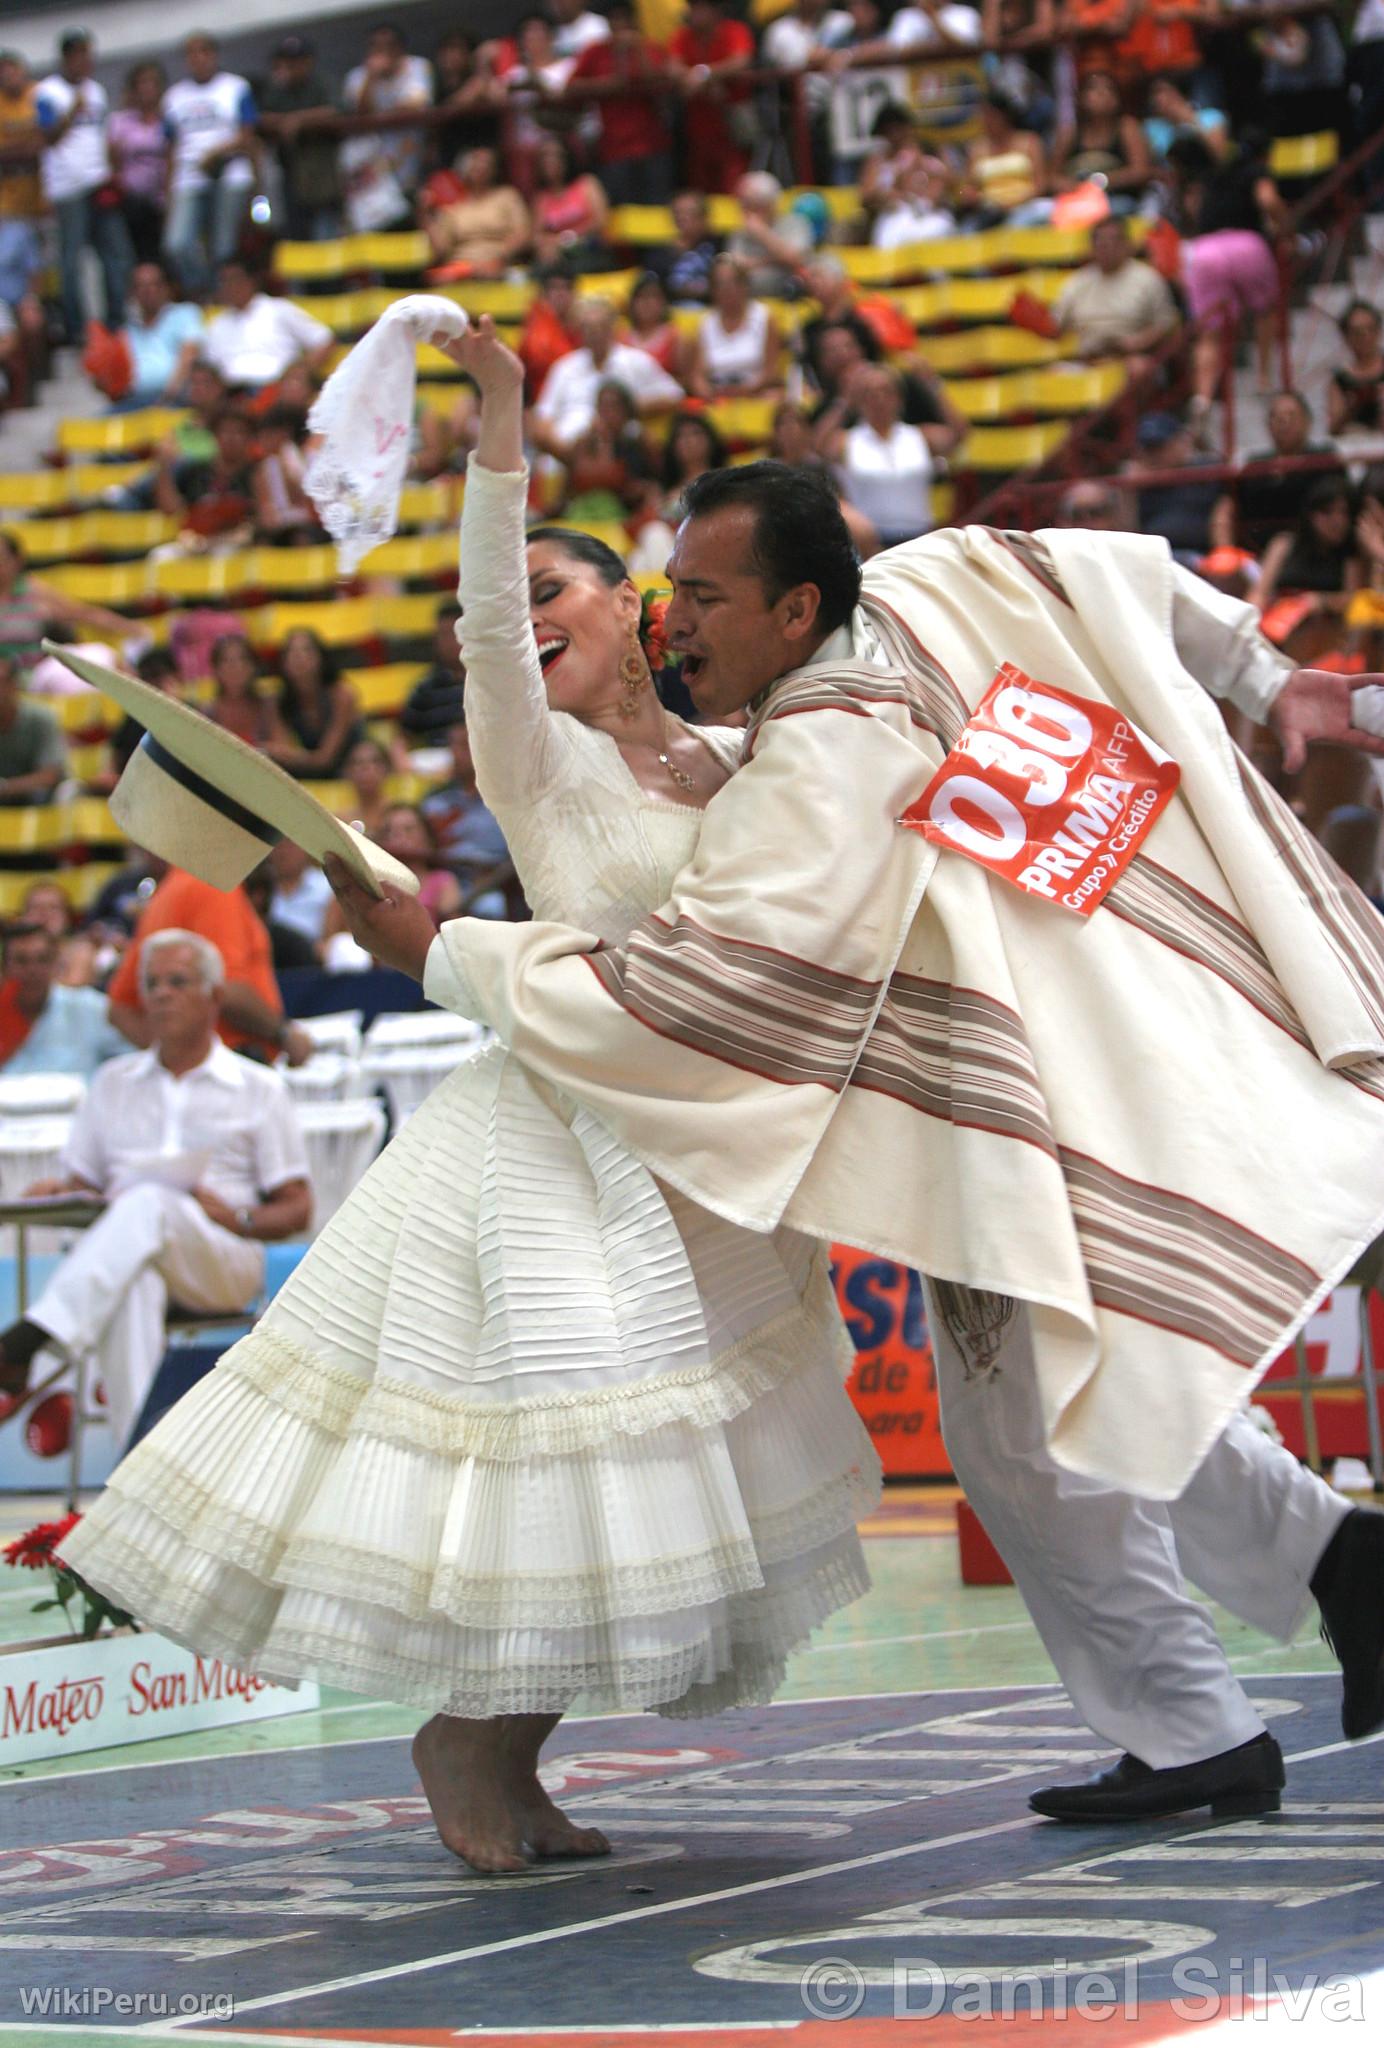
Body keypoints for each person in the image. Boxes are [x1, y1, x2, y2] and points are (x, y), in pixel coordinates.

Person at [318, 455, 1384, 1819]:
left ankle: (1224, 1701)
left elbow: (690, 993)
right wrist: (1261, 670)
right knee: (1077, 1389)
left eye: (701, 595)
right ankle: (1315, 1593)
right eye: (675, 588)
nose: (677, 619)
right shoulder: (919, 593)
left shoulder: (803, 771)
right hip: (1082, 1056)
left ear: (794, 605)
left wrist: (449, 955)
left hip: (1002, 1112)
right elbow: (1088, 567)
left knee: (1025, 1428)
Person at [64, 322, 880, 1875]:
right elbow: (492, 627)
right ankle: (467, 1748)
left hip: (696, 1149)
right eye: (501, 605)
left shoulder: (742, 750)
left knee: (644, 1487)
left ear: (644, 615)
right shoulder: (535, 754)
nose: (509, 620)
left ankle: (509, 1751)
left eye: (557, 590)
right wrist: (500, 418)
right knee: (562, 1446)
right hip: (554, 1144)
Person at [0, 930, 311, 1448]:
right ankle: (143, 1471)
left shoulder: (258, 1087)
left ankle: (32, 1336)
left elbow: (298, 1208)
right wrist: (60, 1190)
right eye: (151, 984)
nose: (161, 994)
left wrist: (234, 1217)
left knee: (150, 1201)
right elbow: (85, 1186)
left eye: (177, 982)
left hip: (222, 1255)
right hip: (130, 1256)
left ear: (213, 997)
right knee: (133, 1286)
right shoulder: (112, 1082)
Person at [105, 857, 312, 1067]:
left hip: (215, 1072)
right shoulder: (212, 885)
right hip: (234, 1068)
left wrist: (174, 1061)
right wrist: (284, 1034)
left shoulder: (168, 892)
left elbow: (120, 1009)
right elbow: (228, 988)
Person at [35, 30, 132, 345]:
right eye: (80, 56)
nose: (85, 63)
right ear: (66, 58)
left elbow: (102, 136)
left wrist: (112, 172)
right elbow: (49, 138)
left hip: (98, 182)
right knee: (71, 261)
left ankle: (116, 321)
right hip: (67, 187)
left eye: (89, 56)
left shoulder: (97, 91)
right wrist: (72, 110)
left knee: (117, 253)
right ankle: (77, 328)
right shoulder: (46, 92)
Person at [161, 34, 258, 296]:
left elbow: (248, 135)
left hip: (230, 170)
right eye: (192, 53)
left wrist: (217, 153)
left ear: (214, 55)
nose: (198, 58)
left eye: (204, 52)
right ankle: (201, 289)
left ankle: (222, 296)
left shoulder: (235, 87)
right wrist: (168, 191)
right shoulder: (174, 96)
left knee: (223, 245)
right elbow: (170, 148)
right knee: (177, 243)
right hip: (189, 175)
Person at [530, 296, 684, 460]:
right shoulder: (564, 367)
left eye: (600, 327)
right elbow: (542, 420)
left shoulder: (635, 361)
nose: (594, 333)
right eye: (588, 328)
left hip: (622, 452)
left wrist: (625, 408)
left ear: (613, 328)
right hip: (568, 452)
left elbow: (675, 395)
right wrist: (568, 455)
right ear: (579, 331)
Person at [566, 2, 674, 207]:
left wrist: (637, 49)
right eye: (615, 20)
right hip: (613, 148)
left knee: (656, 208)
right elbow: (571, 88)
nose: (620, 25)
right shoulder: (596, 52)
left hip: (652, 145)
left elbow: (661, 82)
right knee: (622, 211)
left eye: (625, 19)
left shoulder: (649, 48)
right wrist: (606, 86)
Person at [1211, 389, 1347, 550]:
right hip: (1255, 550)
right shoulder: (1255, 464)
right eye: (1276, 417)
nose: (1283, 422)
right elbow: (1228, 504)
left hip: (1311, 552)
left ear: (1307, 422)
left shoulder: (1323, 458)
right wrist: (1224, 549)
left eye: (1291, 415)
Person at [821, 362, 936, 547]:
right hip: (869, 543)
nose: (879, 398)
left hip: (918, 538)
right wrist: (844, 402)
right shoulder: (848, 440)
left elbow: (960, 432)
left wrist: (931, 387)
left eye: (886, 391)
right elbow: (816, 445)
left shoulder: (919, 435)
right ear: (859, 400)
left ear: (899, 398)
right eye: (869, 393)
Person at [1053, 216, 1180, 379]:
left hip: (1130, 356)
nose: (1106, 247)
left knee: (1139, 370)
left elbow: (1166, 324)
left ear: (1127, 244)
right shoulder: (1076, 283)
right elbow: (1056, 326)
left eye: (1113, 241)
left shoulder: (1148, 279)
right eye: (1100, 242)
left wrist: (1136, 342)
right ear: (1092, 247)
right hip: (1088, 358)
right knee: (1054, 375)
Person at [0, 532, 137, 679]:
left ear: (17, 560)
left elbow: (84, 614)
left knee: (102, 656)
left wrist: (132, 629)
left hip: (33, 678)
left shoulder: (36, 593)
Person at [0, 920, 125, 1079]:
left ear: (56, 964)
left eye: (42, 959)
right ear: (4, 968)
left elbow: (138, 1061)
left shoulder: (92, 1009)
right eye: (21, 961)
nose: (33, 970)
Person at [340, 24, 432, 235]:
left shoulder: (417, 66)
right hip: (374, 175)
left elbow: (416, 104)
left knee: (415, 231)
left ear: (400, 48)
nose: (383, 51)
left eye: (389, 46)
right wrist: (372, 77)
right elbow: (359, 113)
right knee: (381, 237)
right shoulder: (357, 76)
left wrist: (380, 114)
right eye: (376, 46)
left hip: (412, 167)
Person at [421, 715, 512, 914]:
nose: (456, 752)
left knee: (491, 907)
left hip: (493, 882)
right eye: (452, 745)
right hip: (443, 879)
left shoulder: (507, 801)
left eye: (465, 744)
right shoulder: (434, 801)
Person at [201, 257, 333, 393]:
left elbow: (324, 339)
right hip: (232, 395)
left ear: (251, 281)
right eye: (224, 282)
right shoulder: (218, 324)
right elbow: (209, 367)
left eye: (235, 279)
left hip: (275, 390)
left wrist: (301, 372)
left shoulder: (278, 309)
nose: (230, 286)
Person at [257, 36, 343, 245]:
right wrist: (284, 121)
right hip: (290, 173)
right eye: (286, 61)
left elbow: (336, 110)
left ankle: (327, 277)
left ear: (308, 61)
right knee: (296, 236)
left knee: (326, 236)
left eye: (296, 61)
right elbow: (261, 118)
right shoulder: (278, 88)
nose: (291, 67)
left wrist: (299, 120)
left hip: (324, 171)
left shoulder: (322, 82)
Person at [668, 0, 757, 195]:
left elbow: (742, 61)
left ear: (715, 10)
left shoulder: (734, 30)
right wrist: (698, 80)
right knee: (701, 181)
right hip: (699, 125)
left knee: (735, 178)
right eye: (693, 7)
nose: (694, 13)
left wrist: (705, 74)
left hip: (731, 120)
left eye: (701, 7)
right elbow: (672, 67)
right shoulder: (684, 35)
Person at [263, 627, 366, 778]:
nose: (299, 657)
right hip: (304, 774)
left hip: (348, 772)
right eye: (292, 652)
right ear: (283, 662)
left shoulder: (342, 695)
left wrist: (297, 756)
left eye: (307, 651)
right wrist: (303, 757)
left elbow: (326, 759)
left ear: (321, 658)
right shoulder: (276, 701)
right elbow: (281, 754)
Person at [683, 254, 784, 401]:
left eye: (734, 282)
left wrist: (746, 390)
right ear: (713, 290)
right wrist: (709, 395)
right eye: (720, 284)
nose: (728, 289)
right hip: (717, 395)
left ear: (745, 285)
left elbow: (771, 371)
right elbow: (697, 376)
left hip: (755, 393)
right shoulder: (705, 323)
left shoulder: (765, 318)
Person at [421, 145, 531, 279]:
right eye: (475, 161)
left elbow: (522, 234)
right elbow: (441, 249)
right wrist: (424, 215)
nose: (480, 167)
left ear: (494, 169)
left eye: (485, 162)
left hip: (500, 266)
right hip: (460, 271)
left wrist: (497, 258)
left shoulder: (507, 196)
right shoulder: (453, 205)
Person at [107, 260, 204, 410]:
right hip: (133, 402)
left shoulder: (185, 313)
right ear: (132, 293)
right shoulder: (126, 331)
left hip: (175, 400)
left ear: (166, 288)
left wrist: (166, 398)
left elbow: (189, 358)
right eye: (141, 286)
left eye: (154, 285)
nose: (148, 291)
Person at [1050, 67, 1153, 206]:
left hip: (1119, 199)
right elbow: (1051, 177)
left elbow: (1141, 172)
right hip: (1077, 199)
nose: (1101, 93)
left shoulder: (1127, 127)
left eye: (1109, 89)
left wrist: (1100, 182)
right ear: (1081, 98)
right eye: (1093, 89)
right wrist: (1075, 186)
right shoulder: (1069, 133)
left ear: (1117, 99)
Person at [107, 61, 171, 265]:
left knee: (165, 250)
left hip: (163, 198)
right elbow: (112, 159)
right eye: (142, 83)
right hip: (131, 201)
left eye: (152, 83)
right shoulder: (120, 121)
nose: (147, 88)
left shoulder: (169, 119)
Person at [530, 135, 610, 271]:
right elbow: (536, 236)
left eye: (556, 156)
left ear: (567, 158)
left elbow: (601, 220)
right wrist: (552, 244)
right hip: (558, 253)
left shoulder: (586, 183)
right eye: (545, 157)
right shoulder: (542, 198)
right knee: (542, 266)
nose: (551, 161)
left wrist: (568, 238)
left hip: (590, 246)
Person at [0, 653, 66, 805]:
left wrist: (6, 788)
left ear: (14, 685)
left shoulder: (41, 719)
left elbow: (50, 776)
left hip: (38, 806)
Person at [399, 602, 467, 746]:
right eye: (442, 635)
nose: (447, 642)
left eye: (452, 634)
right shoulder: (426, 688)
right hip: (439, 760)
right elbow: (402, 737)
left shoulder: (486, 681)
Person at [646, 190, 720, 305]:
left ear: (704, 217)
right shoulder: (659, 255)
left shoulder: (719, 246)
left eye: (689, 213)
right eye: (677, 213)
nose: (682, 218)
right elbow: (651, 290)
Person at [1328, 298, 1384, 438]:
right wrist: (1350, 408)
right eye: (1357, 332)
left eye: (1370, 329)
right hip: (1356, 446)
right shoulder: (1340, 380)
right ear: (1347, 337)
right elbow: (1334, 429)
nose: (1365, 336)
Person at [267, 838, 333, 951]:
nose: (284, 852)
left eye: (290, 846)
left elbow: (330, 936)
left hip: (311, 956)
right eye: (279, 846)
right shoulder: (261, 887)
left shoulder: (327, 887)